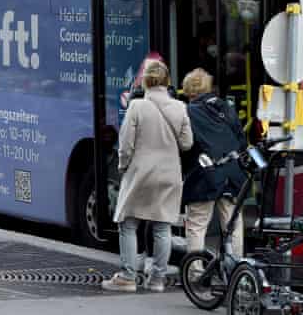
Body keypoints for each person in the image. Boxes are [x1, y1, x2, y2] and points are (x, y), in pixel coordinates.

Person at [102, 59, 193, 293]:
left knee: (128, 222)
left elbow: (125, 144)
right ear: (166, 81)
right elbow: (187, 143)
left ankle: (128, 276)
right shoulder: (180, 107)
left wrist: (123, 166)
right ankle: (157, 280)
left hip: (141, 173)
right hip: (170, 174)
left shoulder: (137, 107)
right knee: (162, 226)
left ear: (146, 81)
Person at [181, 68, 247, 258]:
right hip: (232, 173)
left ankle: (194, 272)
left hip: (204, 174)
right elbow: (241, 140)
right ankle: (235, 272)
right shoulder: (225, 107)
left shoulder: (187, 112)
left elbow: (186, 145)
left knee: (197, 225)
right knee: (233, 224)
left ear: (188, 90)